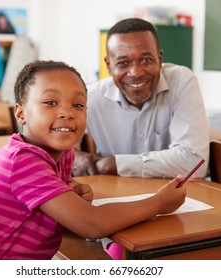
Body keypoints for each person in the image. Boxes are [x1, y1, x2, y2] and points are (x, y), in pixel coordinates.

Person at [0, 60, 187, 260]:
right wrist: (159, 202)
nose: (67, 112)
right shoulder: (22, 159)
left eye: (78, 104)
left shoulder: (63, 155)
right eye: (50, 103)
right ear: (21, 113)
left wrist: (71, 193)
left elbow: (66, 213)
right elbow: (92, 225)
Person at [73, 18, 209, 179]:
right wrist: (74, 157)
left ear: (159, 59)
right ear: (108, 66)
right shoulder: (90, 97)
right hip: (115, 195)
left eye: (146, 60)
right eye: (123, 63)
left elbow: (194, 163)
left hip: (174, 195)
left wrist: (114, 164)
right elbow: (52, 146)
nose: (135, 73)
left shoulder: (181, 82)